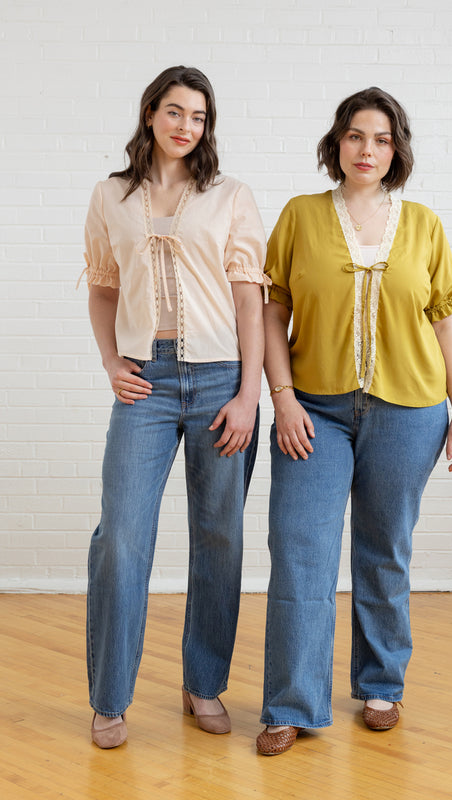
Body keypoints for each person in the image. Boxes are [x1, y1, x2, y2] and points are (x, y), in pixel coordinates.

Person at [255, 87, 452, 756]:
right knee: (299, 550)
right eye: (354, 136)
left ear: (396, 149)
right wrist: (282, 396)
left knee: (384, 550)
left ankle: (381, 684)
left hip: (409, 411)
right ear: (336, 143)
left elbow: (445, 317)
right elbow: (271, 311)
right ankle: (292, 703)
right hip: (313, 411)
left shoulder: (425, 225)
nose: (366, 150)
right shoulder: (298, 215)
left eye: (379, 139)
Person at [81, 66, 268, 748]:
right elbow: (103, 288)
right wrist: (111, 361)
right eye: (174, 111)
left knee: (219, 539)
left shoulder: (229, 195)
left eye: (198, 115)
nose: (186, 125)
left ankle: (204, 683)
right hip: (146, 382)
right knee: (121, 539)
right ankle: (109, 698)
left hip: (222, 380)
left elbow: (250, 298)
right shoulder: (110, 195)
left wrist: (249, 392)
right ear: (150, 114)